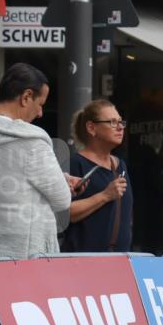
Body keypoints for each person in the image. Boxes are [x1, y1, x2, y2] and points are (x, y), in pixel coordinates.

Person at [0, 63, 72, 259]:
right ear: (26, 97)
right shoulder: (31, 140)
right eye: (40, 104)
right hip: (22, 257)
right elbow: (62, 199)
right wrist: (62, 182)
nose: (41, 113)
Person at [63, 100, 131, 252]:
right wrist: (105, 195)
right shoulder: (75, 164)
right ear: (92, 128)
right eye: (112, 122)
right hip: (83, 263)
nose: (120, 127)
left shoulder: (121, 165)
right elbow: (66, 214)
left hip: (120, 261)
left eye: (121, 122)